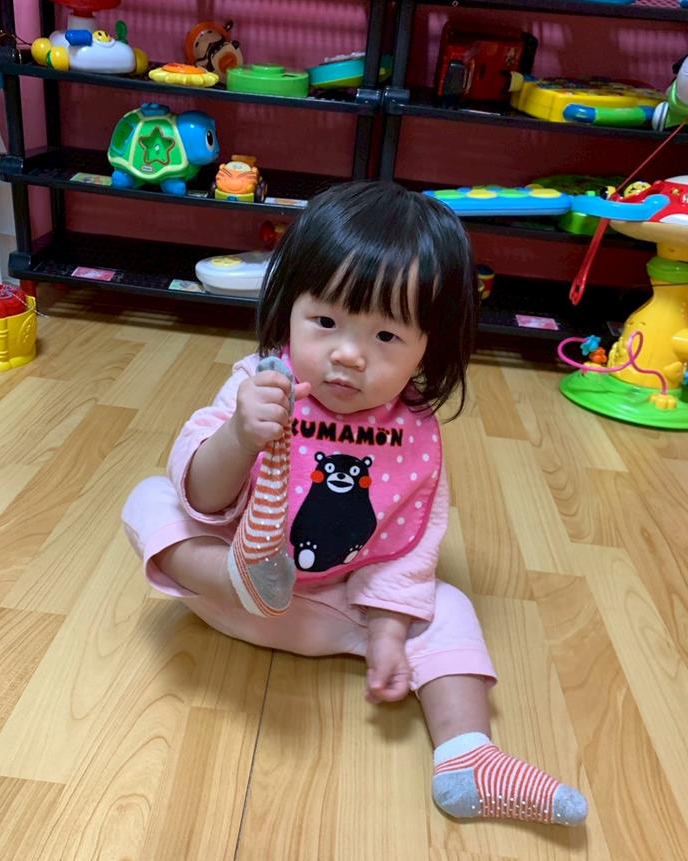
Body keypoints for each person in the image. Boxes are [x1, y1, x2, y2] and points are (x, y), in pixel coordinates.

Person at [122, 180, 587, 827]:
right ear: (289, 308)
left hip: (332, 612)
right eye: (325, 323)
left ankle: (467, 756)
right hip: (226, 589)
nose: (347, 354)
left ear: (429, 346)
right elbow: (200, 496)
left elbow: (409, 549)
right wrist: (238, 436)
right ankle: (236, 578)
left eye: (386, 336)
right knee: (150, 498)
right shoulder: (262, 384)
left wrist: (389, 633)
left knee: (448, 607)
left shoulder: (412, 433)